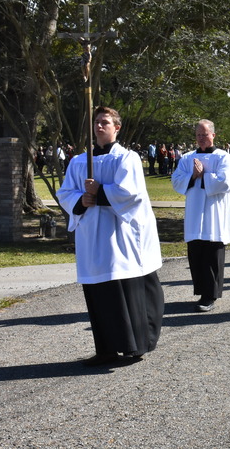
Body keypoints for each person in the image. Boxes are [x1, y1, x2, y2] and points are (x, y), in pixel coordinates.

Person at [57, 106, 163, 366]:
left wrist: (100, 191)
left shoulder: (127, 158)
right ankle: (105, 349)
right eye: (96, 122)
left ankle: (133, 346)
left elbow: (131, 193)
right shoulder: (79, 161)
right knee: (98, 293)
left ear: (117, 127)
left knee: (122, 288)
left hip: (119, 235)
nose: (99, 126)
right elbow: (64, 193)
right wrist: (82, 199)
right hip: (91, 235)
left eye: (105, 122)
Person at [171, 120, 230, 312]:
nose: (201, 138)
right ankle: (201, 291)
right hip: (194, 211)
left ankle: (211, 294)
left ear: (213, 135)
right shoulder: (187, 158)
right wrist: (192, 176)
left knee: (212, 252)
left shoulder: (223, 157)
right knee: (196, 252)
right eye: (198, 134)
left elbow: (225, 183)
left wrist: (203, 175)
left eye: (205, 134)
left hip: (214, 212)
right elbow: (176, 181)